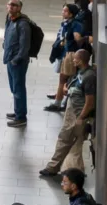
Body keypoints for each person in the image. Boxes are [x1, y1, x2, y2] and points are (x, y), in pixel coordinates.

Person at [39, 48, 96, 177]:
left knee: (64, 140)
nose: (73, 60)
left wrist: (81, 117)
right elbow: (72, 85)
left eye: (75, 58)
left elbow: (89, 101)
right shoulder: (80, 73)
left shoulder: (89, 77)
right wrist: (65, 88)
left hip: (77, 115)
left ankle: (53, 167)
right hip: (73, 111)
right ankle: (76, 170)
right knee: (76, 143)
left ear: (81, 60)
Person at [3, 0, 31, 128]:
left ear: (19, 8)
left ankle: (21, 117)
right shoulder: (9, 19)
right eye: (10, 4)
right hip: (10, 58)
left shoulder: (23, 24)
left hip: (17, 62)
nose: (11, 6)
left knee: (19, 88)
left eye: (14, 5)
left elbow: (24, 46)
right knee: (14, 87)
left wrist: (16, 59)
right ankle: (17, 111)